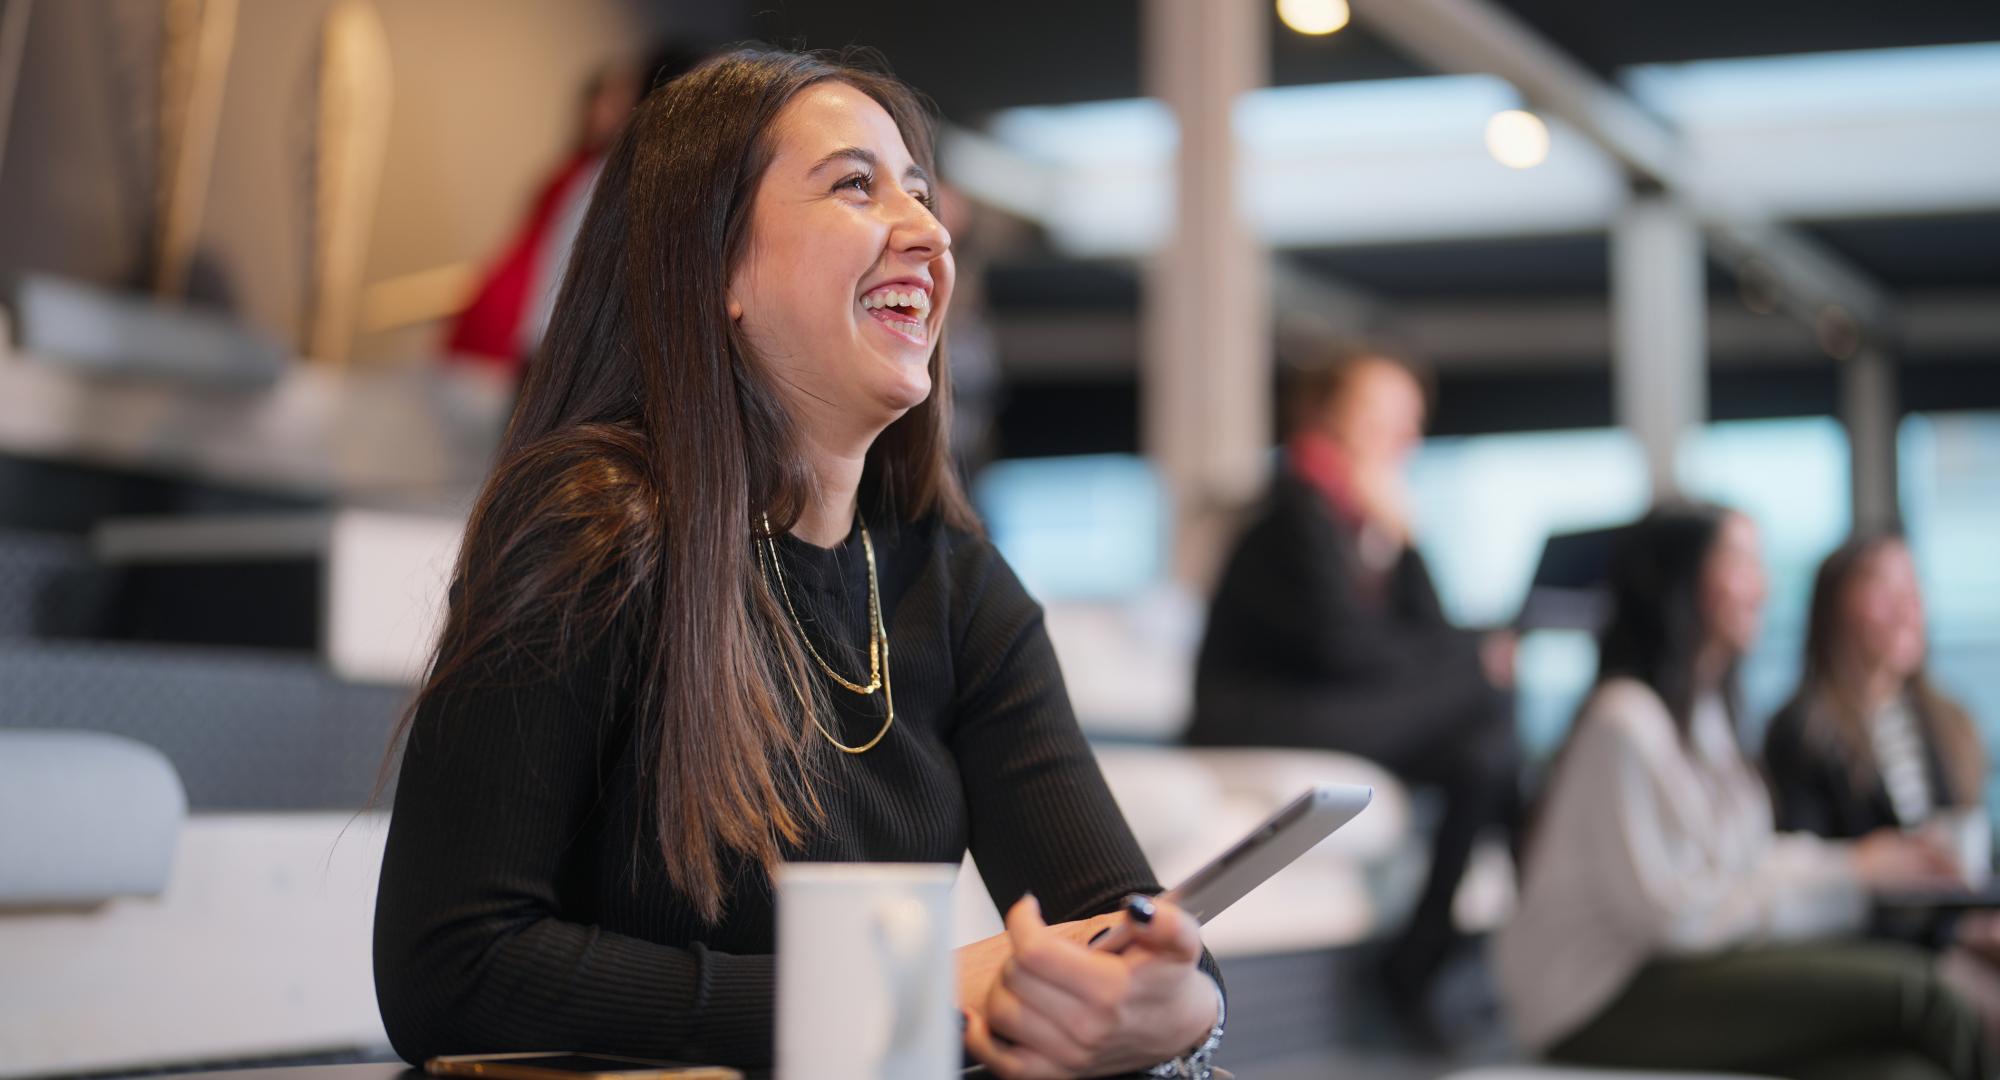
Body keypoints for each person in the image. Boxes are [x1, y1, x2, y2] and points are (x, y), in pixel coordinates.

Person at [374, 49, 1224, 1079]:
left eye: (920, 192)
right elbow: (453, 969)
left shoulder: (954, 584)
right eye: (855, 186)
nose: (926, 231)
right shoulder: (591, 528)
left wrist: (1176, 1005)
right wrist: (887, 998)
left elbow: (1108, 918)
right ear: (716, 266)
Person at [1495, 503, 1986, 1080]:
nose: (1764, 584)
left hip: (1671, 970)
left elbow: (1741, 863)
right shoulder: (1624, 723)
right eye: (1741, 561)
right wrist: (1848, 880)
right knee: (1929, 998)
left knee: (1901, 1069)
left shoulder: (1705, 717)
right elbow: (1679, 917)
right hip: (1599, 996)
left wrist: (1858, 864)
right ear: (1680, 578)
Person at [1186, 351, 1518, 1023]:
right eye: (1387, 418)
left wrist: (1409, 539)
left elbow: (1425, 635)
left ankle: (1422, 958)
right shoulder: (1293, 512)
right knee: (1482, 692)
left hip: (1328, 706)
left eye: (1409, 422)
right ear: (1333, 420)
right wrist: (1469, 660)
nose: (1405, 439)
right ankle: (1458, 954)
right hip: (1259, 713)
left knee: (1483, 751)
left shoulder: (1360, 522)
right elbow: (1347, 649)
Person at [1764, 530, 2000, 1043]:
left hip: (1953, 929)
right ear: (1834, 609)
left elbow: (1972, 852)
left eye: (1912, 585)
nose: (1906, 604)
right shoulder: (1803, 733)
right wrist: (1954, 930)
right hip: (1884, 947)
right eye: (1882, 586)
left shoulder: (1947, 722)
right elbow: (1810, 878)